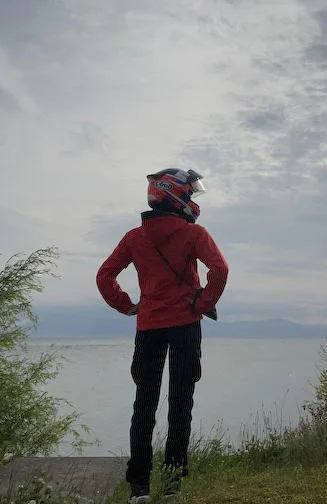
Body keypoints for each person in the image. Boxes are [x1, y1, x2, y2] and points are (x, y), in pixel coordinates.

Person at [96, 167, 229, 503]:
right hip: (186, 325)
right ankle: (172, 483)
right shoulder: (193, 234)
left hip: (149, 327)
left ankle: (139, 487)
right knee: (180, 402)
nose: (192, 198)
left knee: (144, 404)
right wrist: (204, 303)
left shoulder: (134, 237)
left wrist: (126, 306)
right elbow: (220, 270)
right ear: (176, 195)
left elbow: (104, 276)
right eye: (190, 192)